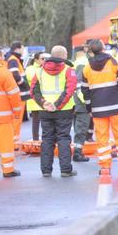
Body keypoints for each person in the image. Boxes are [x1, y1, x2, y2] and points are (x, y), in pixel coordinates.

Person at [81, 39, 118, 174]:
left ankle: (105, 168)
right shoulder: (114, 63)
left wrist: (89, 109)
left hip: (98, 110)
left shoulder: (87, 68)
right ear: (103, 48)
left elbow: (85, 92)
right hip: (116, 107)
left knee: (102, 139)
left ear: (91, 51)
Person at [30, 46, 78, 177]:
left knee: (47, 139)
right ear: (64, 55)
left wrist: (44, 103)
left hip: (45, 111)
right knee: (63, 138)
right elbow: (69, 91)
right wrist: (57, 105)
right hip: (64, 110)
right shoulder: (69, 70)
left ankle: (46, 170)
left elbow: (33, 91)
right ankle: (65, 170)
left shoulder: (39, 71)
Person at [0, 46, 21, 177]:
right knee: (6, 144)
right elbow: (14, 95)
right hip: (2, 117)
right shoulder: (3, 72)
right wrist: (17, 113)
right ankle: (7, 169)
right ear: (0, 57)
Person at [5, 41, 30, 146]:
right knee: (16, 118)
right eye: (22, 49)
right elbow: (15, 75)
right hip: (19, 94)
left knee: (15, 119)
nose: (23, 51)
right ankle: (13, 142)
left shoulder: (12, 58)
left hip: (17, 94)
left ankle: (12, 141)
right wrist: (23, 84)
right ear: (17, 49)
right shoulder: (13, 59)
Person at [71, 50, 91, 162]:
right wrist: (86, 101)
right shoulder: (83, 62)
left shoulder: (77, 62)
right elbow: (79, 84)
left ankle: (77, 151)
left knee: (79, 127)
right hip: (81, 101)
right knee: (81, 128)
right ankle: (77, 153)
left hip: (76, 101)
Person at [25, 52, 49, 140]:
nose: (44, 60)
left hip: (45, 99)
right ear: (36, 60)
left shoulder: (44, 68)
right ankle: (35, 140)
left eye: (45, 59)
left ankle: (46, 139)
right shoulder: (30, 69)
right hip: (34, 100)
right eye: (42, 59)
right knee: (36, 122)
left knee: (46, 122)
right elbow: (36, 78)